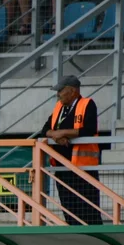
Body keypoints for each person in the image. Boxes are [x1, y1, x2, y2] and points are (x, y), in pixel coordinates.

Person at [39, 75, 101, 225]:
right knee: (68, 206)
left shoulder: (87, 104)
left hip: (83, 168)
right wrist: (56, 135)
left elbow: (89, 129)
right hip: (62, 167)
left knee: (87, 207)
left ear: (72, 91)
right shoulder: (59, 107)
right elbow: (45, 130)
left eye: (61, 91)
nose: (58, 94)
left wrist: (63, 132)